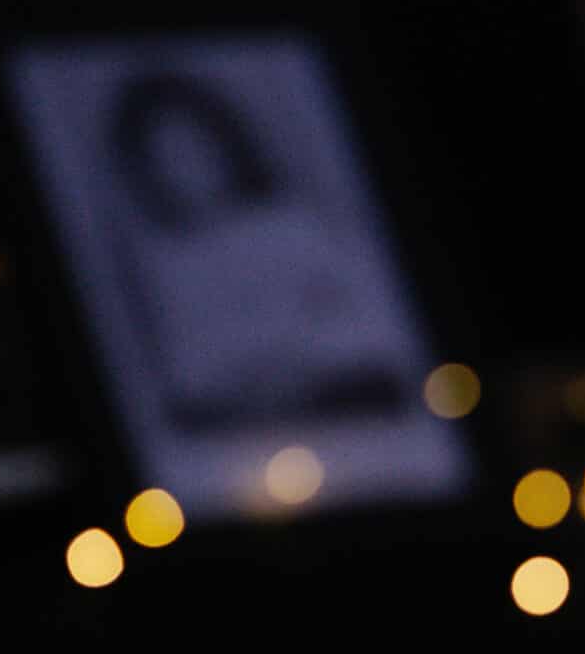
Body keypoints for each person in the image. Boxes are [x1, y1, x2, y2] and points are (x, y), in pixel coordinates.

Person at [107, 66, 414, 428]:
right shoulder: (169, 263)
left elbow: (371, 326)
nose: (189, 168)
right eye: (170, 156)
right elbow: (190, 373)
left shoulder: (295, 226)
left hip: (348, 412)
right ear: (147, 167)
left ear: (220, 139)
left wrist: (295, 362)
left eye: (194, 149)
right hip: (241, 433)